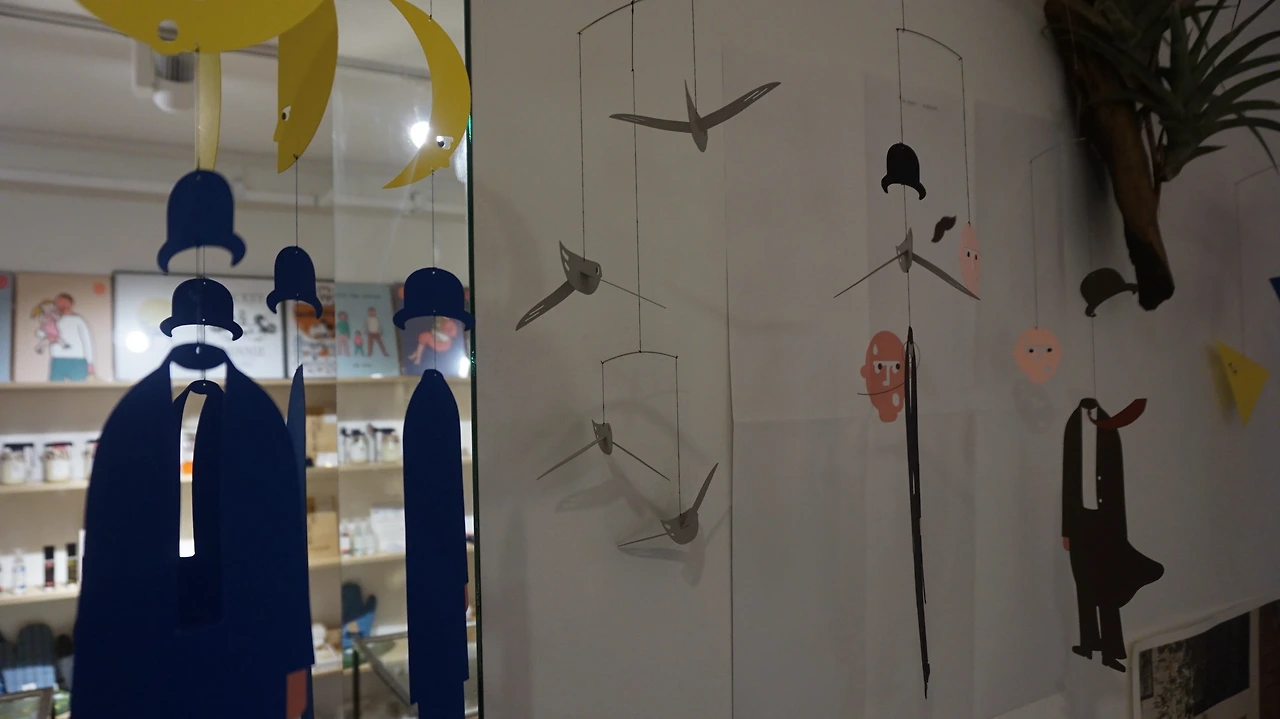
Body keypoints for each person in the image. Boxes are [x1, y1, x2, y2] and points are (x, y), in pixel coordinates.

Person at [1062, 398, 1163, 673]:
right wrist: (1066, 529)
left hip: (1105, 522)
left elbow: (1116, 485)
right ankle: (1088, 642)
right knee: (1083, 581)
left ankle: (1110, 648)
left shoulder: (1107, 428)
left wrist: (1118, 529)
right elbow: (1068, 479)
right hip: (1079, 521)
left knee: (1105, 584)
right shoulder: (1072, 425)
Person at [41, 293, 95, 382]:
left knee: (79, 387)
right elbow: (40, 332)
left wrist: (90, 362)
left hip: (78, 359)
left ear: (68, 303)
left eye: (59, 301)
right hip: (57, 359)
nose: (56, 304)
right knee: (55, 387)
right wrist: (47, 335)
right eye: (56, 302)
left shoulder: (79, 320)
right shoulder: (52, 319)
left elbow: (87, 342)